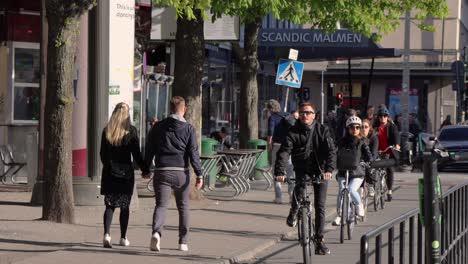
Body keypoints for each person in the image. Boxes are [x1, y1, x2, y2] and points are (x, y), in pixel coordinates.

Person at [143, 96, 204, 252]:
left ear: (170, 109)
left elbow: (149, 149)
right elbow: (193, 153)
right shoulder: (189, 129)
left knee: (161, 205)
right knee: (183, 207)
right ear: (184, 109)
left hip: (162, 171)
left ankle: (156, 233)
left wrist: (145, 169)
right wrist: (199, 174)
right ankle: (183, 242)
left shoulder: (158, 127)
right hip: (181, 173)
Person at [274, 102, 336, 255]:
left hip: (321, 170)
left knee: (320, 205)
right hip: (302, 168)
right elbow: (284, 152)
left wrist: (329, 169)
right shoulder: (293, 132)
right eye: (302, 112)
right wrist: (279, 171)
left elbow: (331, 151)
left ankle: (319, 240)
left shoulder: (322, 130)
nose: (305, 115)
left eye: (308, 112)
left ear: (314, 115)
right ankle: (294, 210)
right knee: (299, 189)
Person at [100, 102, 149, 248]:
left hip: (110, 173)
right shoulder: (131, 131)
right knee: (124, 206)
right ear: (127, 115)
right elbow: (137, 155)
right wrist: (145, 170)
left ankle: (107, 234)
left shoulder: (107, 131)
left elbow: (102, 154)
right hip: (126, 174)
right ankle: (123, 237)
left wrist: (109, 166)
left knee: (110, 205)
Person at [332, 116, 372, 226]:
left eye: (357, 127)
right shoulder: (341, 141)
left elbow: (369, 155)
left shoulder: (362, 142)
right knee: (341, 190)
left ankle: (359, 205)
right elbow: (334, 153)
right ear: (347, 128)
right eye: (352, 127)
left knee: (351, 189)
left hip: (357, 173)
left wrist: (368, 161)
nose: (355, 129)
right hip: (343, 172)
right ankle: (340, 215)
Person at [266, 99, 293, 204]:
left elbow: (270, 134)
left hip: (277, 146)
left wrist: (269, 146)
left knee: (276, 171)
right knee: (290, 170)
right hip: (289, 146)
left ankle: (279, 197)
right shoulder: (287, 115)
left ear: (270, 108)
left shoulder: (272, 118)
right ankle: (291, 196)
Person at [374, 106, 400, 202]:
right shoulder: (375, 127)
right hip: (377, 151)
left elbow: (396, 135)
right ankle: (374, 187)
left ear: (387, 117)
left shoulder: (391, 126)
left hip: (389, 151)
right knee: (373, 167)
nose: (382, 118)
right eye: (380, 116)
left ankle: (389, 190)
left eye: (384, 116)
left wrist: (397, 144)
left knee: (390, 170)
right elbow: (370, 136)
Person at [361, 119, 379, 196]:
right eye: (362, 127)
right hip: (361, 159)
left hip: (371, 158)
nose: (364, 129)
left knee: (369, 169)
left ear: (369, 128)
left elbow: (374, 152)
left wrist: (370, 161)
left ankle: (371, 185)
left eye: (366, 127)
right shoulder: (358, 137)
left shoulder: (373, 138)